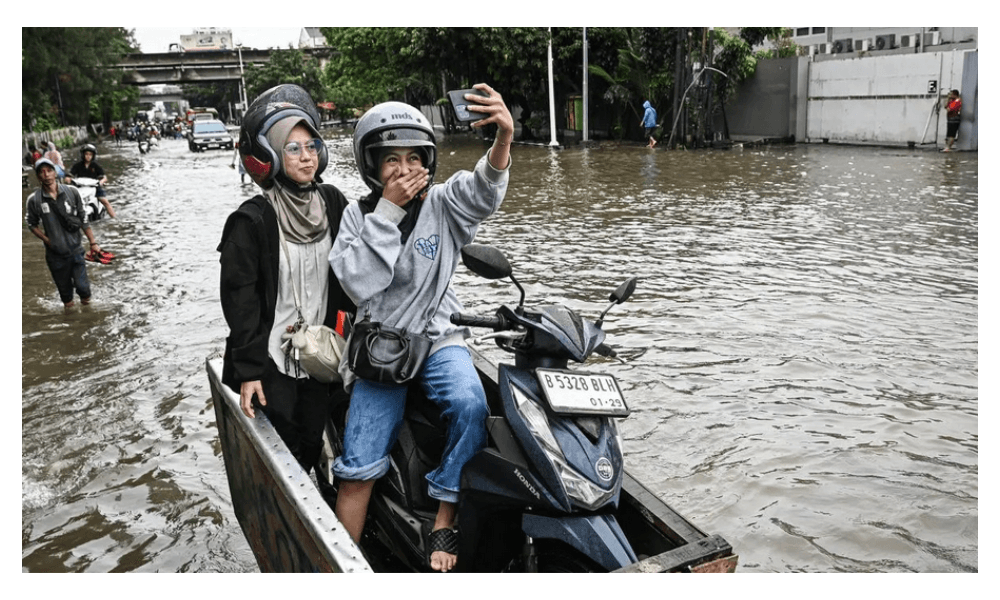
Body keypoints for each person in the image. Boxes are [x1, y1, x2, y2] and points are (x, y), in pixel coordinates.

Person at [329, 83, 512, 572]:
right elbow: (359, 284)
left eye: (414, 158)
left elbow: (482, 192)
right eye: (391, 160)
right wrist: (387, 211)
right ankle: (341, 562)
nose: (404, 170)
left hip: (437, 337)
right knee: (359, 464)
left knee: (472, 404)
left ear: (428, 160)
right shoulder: (358, 215)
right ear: (372, 166)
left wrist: (502, 140)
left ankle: (444, 516)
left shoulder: (444, 204)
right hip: (381, 346)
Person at [218, 84, 354, 475]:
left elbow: (356, 267)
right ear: (271, 156)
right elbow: (240, 302)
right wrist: (248, 373)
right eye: (293, 148)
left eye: (311, 146)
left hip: (319, 350)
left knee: (311, 442)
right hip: (271, 360)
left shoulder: (333, 203)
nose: (306, 157)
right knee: (282, 452)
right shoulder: (251, 221)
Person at [25, 158, 105, 308]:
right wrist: (47, 240)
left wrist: (93, 243)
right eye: (42, 172)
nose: (46, 175)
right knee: (66, 297)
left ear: (55, 173)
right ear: (38, 177)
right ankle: (72, 323)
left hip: (76, 250)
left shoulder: (72, 192)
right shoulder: (34, 200)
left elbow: (83, 218)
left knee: (84, 290)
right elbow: (31, 224)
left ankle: (87, 320)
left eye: (49, 171)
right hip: (55, 255)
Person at [67, 144, 116, 218]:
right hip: (80, 188)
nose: (88, 156)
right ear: (83, 155)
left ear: (93, 156)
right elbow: (69, 175)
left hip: (94, 188)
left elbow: (104, 177)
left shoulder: (96, 166)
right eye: (86, 154)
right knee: (69, 202)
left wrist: (101, 182)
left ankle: (114, 218)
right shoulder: (77, 166)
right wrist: (68, 179)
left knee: (105, 202)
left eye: (90, 154)